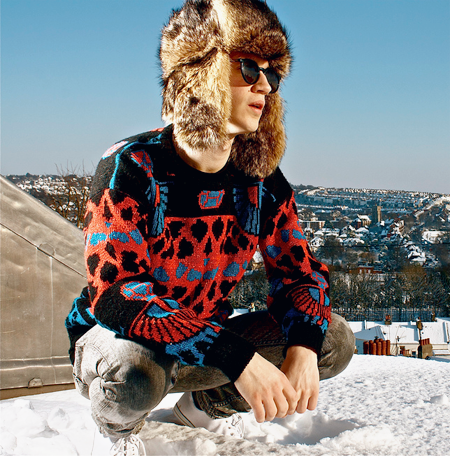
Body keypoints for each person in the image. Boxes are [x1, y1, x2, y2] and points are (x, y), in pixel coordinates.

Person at [65, 1, 355, 454]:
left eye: (273, 74)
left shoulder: (261, 181)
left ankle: (200, 409)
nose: (265, 86)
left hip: (206, 342)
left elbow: (300, 274)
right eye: (248, 67)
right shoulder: (132, 166)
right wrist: (237, 359)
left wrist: (302, 346)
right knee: (133, 376)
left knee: (332, 339)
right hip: (122, 344)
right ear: (200, 73)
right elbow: (117, 293)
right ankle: (116, 432)